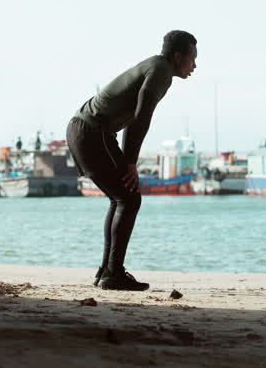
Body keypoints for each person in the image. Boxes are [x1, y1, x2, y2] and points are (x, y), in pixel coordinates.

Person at [67, 30, 198, 291]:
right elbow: (142, 116)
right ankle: (113, 272)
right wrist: (130, 162)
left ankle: (107, 270)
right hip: (91, 131)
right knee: (128, 198)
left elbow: (137, 116)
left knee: (122, 198)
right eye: (192, 58)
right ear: (177, 56)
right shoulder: (160, 71)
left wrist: (128, 159)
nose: (195, 65)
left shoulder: (156, 66)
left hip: (87, 130)